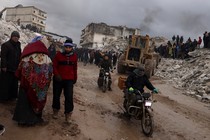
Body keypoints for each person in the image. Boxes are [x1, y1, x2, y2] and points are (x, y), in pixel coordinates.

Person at [13, 36, 53, 126]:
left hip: (25, 84)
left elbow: (20, 69)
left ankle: (22, 120)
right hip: (38, 88)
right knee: (37, 99)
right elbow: (49, 73)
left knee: (23, 101)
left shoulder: (27, 54)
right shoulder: (46, 58)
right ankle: (34, 120)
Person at [52, 38, 77, 123]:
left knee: (69, 97)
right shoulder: (58, 55)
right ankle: (55, 110)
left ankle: (68, 114)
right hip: (58, 79)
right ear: (64, 47)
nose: (68, 49)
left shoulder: (74, 56)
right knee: (56, 96)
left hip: (69, 80)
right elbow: (54, 66)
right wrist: (56, 74)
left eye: (69, 47)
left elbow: (75, 68)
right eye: (66, 47)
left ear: (72, 48)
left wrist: (75, 78)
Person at [0, 31, 21, 101]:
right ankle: (3, 98)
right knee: (5, 84)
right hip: (7, 69)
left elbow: (19, 56)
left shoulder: (18, 46)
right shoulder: (6, 45)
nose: (16, 38)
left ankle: (11, 97)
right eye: (14, 36)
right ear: (11, 37)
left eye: (17, 37)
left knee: (13, 84)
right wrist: (3, 66)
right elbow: (3, 56)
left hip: (15, 69)